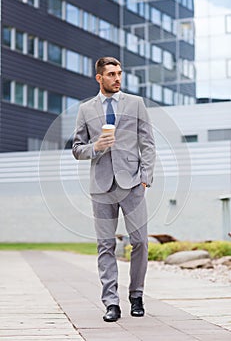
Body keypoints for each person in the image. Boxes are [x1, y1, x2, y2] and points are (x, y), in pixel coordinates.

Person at [72, 57, 156, 322]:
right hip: (101, 187)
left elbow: (148, 143)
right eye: (111, 74)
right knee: (105, 245)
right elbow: (77, 148)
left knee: (140, 242)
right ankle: (111, 302)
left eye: (119, 73)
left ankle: (137, 295)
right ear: (100, 78)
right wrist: (95, 147)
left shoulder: (136, 104)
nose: (117, 78)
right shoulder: (86, 110)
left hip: (132, 184)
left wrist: (145, 177)